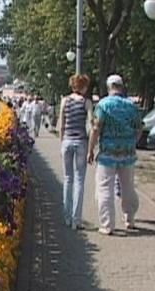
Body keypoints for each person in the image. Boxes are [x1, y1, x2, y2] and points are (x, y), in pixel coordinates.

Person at [87, 74, 141, 235]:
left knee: (105, 189)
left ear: (109, 87)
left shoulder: (103, 105)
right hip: (128, 154)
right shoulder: (131, 106)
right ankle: (129, 218)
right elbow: (139, 129)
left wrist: (90, 149)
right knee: (128, 187)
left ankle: (107, 224)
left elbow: (95, 129)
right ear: (121, 86)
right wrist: (131, 143)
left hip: (107, 154)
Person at [59, 74, 93, 229]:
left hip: (67, 141)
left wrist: (62, 142)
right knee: (79, 180)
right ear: (84, 87)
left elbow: (62, 124)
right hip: (81, 142)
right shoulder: (87, 103)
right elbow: (91, 124)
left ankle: (66, 217)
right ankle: (76, 220)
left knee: (67, 179)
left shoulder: (64, 101)